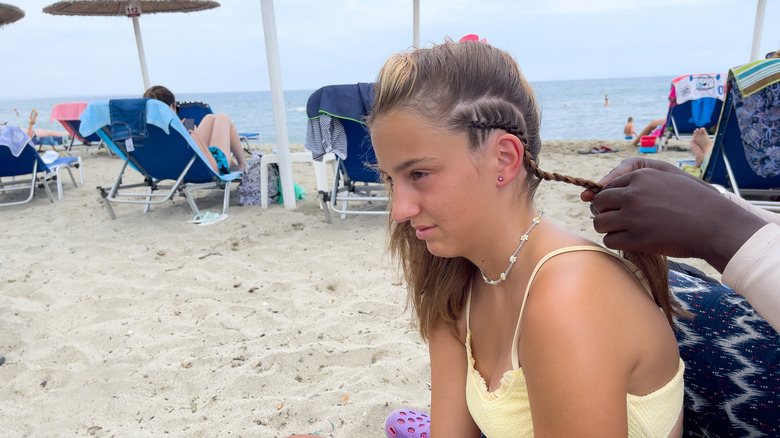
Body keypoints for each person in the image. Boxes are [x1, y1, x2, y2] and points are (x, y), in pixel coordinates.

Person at [368, 39, 685, 437]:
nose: (399, 209)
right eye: (390, 179)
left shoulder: (569, 302)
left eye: (418, 175)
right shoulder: (454, 276)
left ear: (504, 159)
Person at [142, 86, 247, 174]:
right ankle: (243, 165)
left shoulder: (144, 132)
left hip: (172, 168)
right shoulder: (176, 132)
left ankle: (235, 163)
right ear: (170, 107)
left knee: (210, 118)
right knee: (223, 117)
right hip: (209, 167)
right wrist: (195, 137)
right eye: (176, 107)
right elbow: (214, 167)